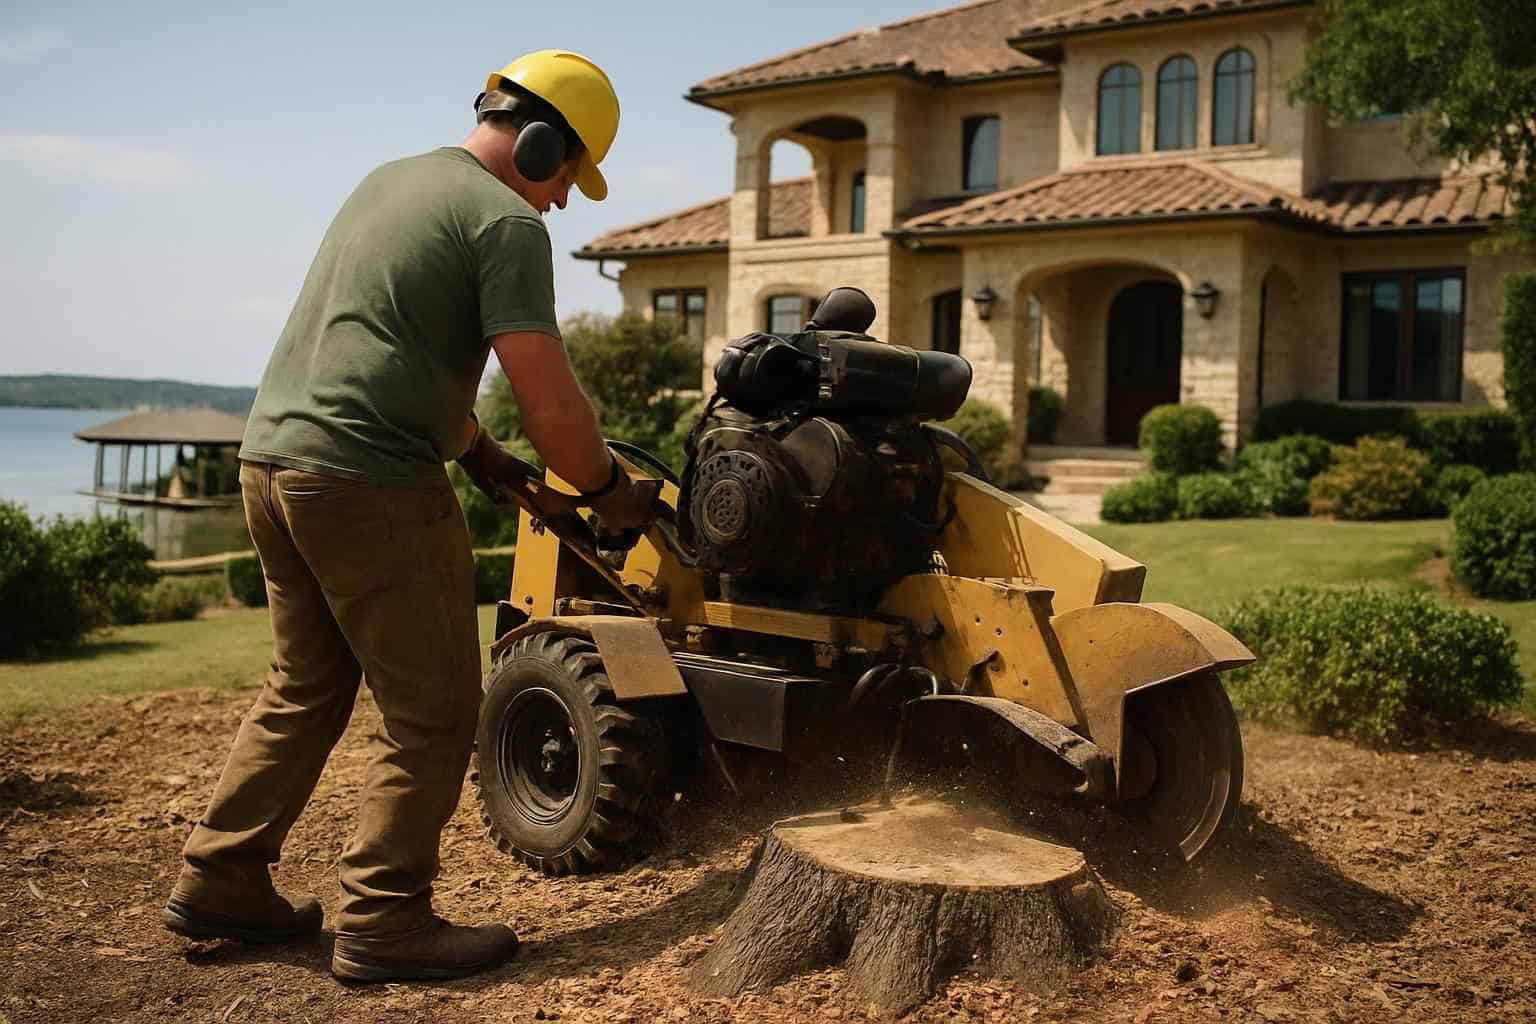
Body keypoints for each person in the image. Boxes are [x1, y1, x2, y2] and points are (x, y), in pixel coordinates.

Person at [161, 50, 654, 983]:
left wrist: (479, 454)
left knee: (304, 685)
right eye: (565, 180)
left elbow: (384, 345)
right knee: (433, 711)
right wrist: (607, 491)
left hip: (272, 464)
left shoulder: (391, 181)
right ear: (543, 143)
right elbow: (551, 405)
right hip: (368, 482)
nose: (559, 202)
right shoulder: (506, 221)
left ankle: (220, 873)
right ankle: (385, 920)